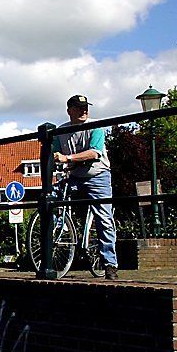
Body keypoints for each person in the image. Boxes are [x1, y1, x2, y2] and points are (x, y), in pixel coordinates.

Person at [52, 94, 119, 280]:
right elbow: (54, 152)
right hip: (74, 176)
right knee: (51, 197)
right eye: (79, 107)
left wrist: (68, 158)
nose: (84, 110)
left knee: (104, 217)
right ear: (69, 111)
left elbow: (95, 152)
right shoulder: (60, 131)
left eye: (86, 107)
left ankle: (110, 264)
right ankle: (61, 227)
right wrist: (56, 158)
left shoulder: (95, 127)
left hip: (97, 175)